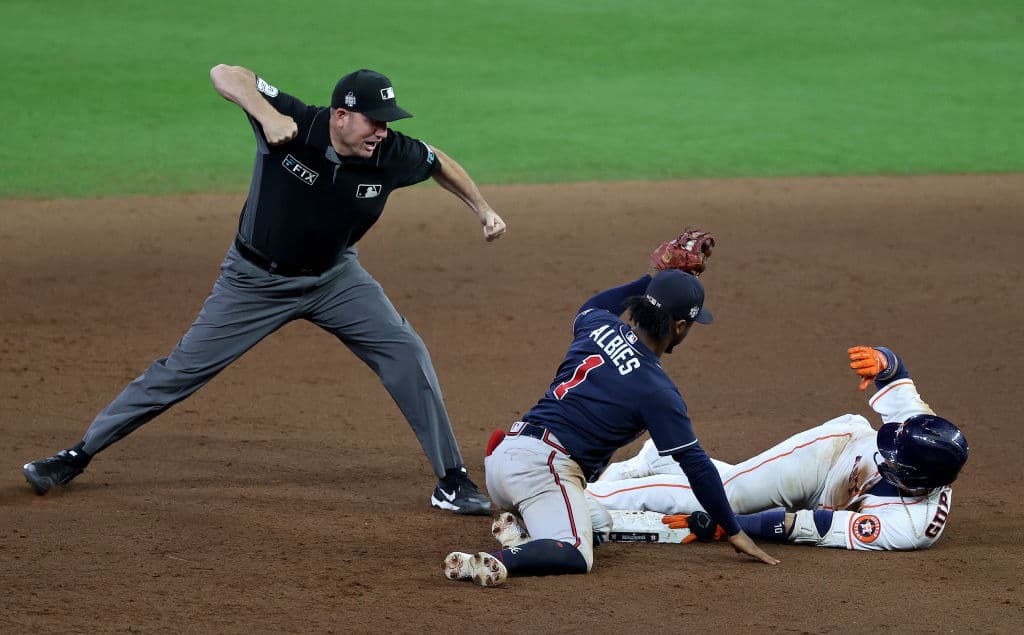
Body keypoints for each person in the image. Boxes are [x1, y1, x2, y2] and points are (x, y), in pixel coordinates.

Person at [22, 65, 507, 516]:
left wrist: (481, 208)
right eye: (373, 120)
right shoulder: (295, 124)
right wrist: (267, 115)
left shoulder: (389, 153)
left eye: (387, 121)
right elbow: (225, 74)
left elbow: (437, 160)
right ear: (340, 116)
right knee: (181, 371)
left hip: (335, 279)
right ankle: (76, 455)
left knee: (406, 352)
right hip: (254, 281)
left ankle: (451, 480)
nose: (382, 130)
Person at [442, 265, 779, 587]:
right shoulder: (657, 390)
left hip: (506, 458)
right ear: (678, 327)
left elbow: (593, 304)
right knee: (576, 552)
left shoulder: (600, 325)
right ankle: (495, 559)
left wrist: (653, 278)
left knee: (599, 523)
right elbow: (696, 466)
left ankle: (521, 534)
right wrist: (733, 530)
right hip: (542, 471)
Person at [586, 346, 970, 550]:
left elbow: (807, 525)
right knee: (725, 497)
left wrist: (725, 530)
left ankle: (662, 458)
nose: (886, 450)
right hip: (830, 454)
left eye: (892, 460)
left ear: (914, 480)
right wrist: (885, 361)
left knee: (733, 502)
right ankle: (588, 495)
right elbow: (897, 377)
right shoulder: (920, 430)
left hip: (828, 499)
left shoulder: (909, 528)